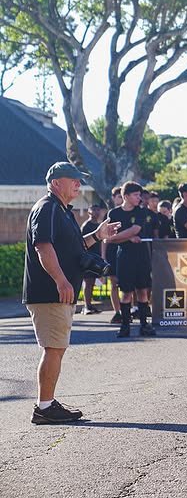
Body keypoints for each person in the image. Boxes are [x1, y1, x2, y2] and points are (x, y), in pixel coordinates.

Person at [25, 162, 119, 424]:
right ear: (56, 182)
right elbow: (42, 246)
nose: (79, 184)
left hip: (59, 291)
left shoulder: (62, 210)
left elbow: (76, 248)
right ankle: (44, 408)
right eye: (73, 179)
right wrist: (60, 280)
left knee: (56, 348)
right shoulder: (47, 208)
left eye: (80, 180)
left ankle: (47, 402)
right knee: (53, 348)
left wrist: (98, 235)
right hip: (49, 291)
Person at [107, 182, 156, 338]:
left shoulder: (141, 212)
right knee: (126, 292)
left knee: (142, 290)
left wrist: (117, 237)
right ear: (125, 196)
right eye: (135, 195)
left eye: (139, 195)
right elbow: (109, 238)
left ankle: (144, 324)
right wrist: (125, 239)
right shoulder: (114, 214)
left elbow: (136, 229)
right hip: (124, 256)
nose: (139, 198)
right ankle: (125, 325)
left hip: (141, 255)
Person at [78, 203, 107, 314]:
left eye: (98, 209)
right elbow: (82, 243)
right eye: (93, 209)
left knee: (93, 282)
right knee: (88, 282)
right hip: (88, 258)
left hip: (97, 257)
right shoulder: (86, 225)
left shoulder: (99, 225)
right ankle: (86, 306)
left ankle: (90, 305)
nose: (96, 212)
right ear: (89, 211)